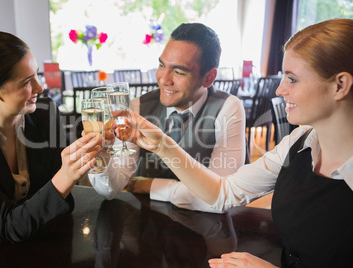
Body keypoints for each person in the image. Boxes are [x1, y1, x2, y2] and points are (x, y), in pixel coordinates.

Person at [116, 18, 353, 267]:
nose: (280, 90)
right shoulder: (299, 142)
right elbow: (222, 193)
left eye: (292, 79)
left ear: (340, 85)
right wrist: (162, 145)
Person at [0, 31, 102, 267]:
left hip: (39, 233)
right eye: (26, 82)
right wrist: (66, 176)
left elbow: (57, 206)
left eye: (37, 75)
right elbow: (22, 218)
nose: (40, 87)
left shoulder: (45, 113)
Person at [89, 23, 246, 213]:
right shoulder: (138, 107)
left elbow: (222, 198)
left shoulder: (228, 107)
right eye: (162, 65)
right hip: (145, 224)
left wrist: (148, 185)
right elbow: (110, 190)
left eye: (179, 72)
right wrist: (102, 157)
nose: (164, 79)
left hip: (204, 232)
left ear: (208, 77)